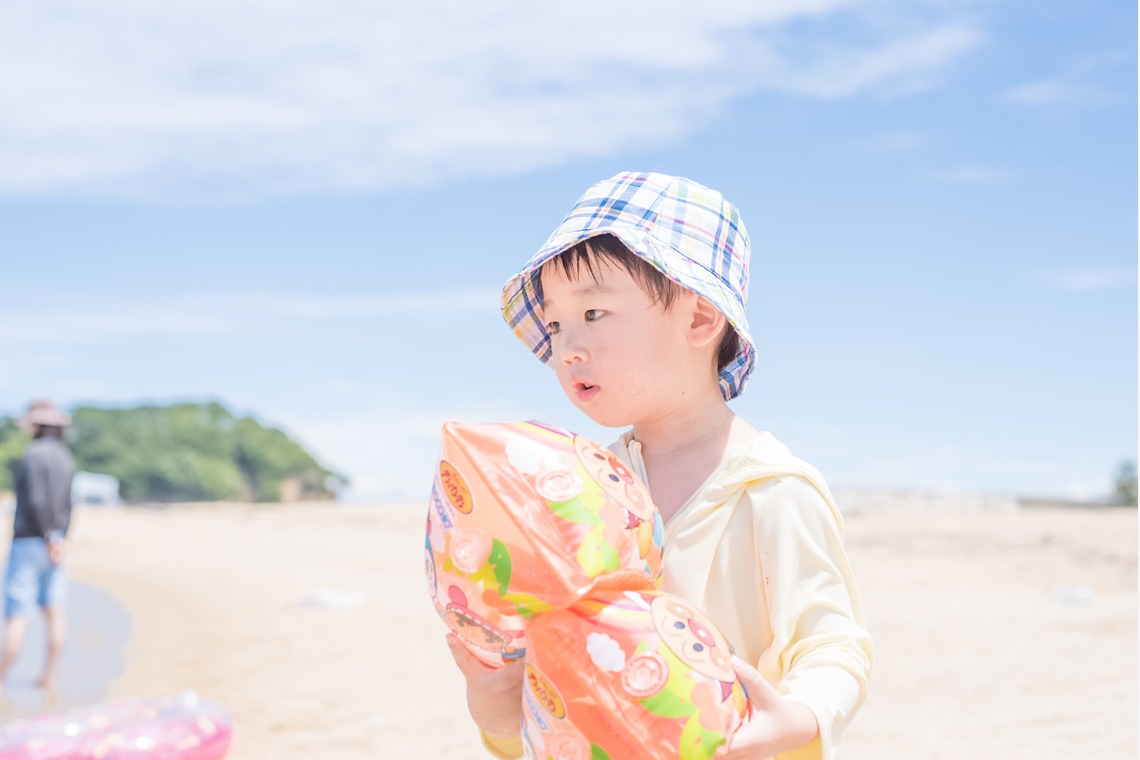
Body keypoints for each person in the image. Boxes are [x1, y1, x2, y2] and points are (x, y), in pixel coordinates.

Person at [448, 172, 873, 759]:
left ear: (700, 319)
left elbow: (833, 645)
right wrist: (497, 708)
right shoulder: (586, 483)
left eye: (594, 312)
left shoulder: (772, 489)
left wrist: (796, 719)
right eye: (554, 324)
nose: (567, 346)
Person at [0, 399, 75, 694]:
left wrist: (46, 534)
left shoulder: (34, 454)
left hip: (32, 540)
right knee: (55, 611)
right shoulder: (65, 456)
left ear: (37, 425)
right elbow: (69, 505)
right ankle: (50, 675)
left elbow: (36, 499)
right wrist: (59, 538)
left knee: (18, 615)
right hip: (56, 543)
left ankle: (1, 678)